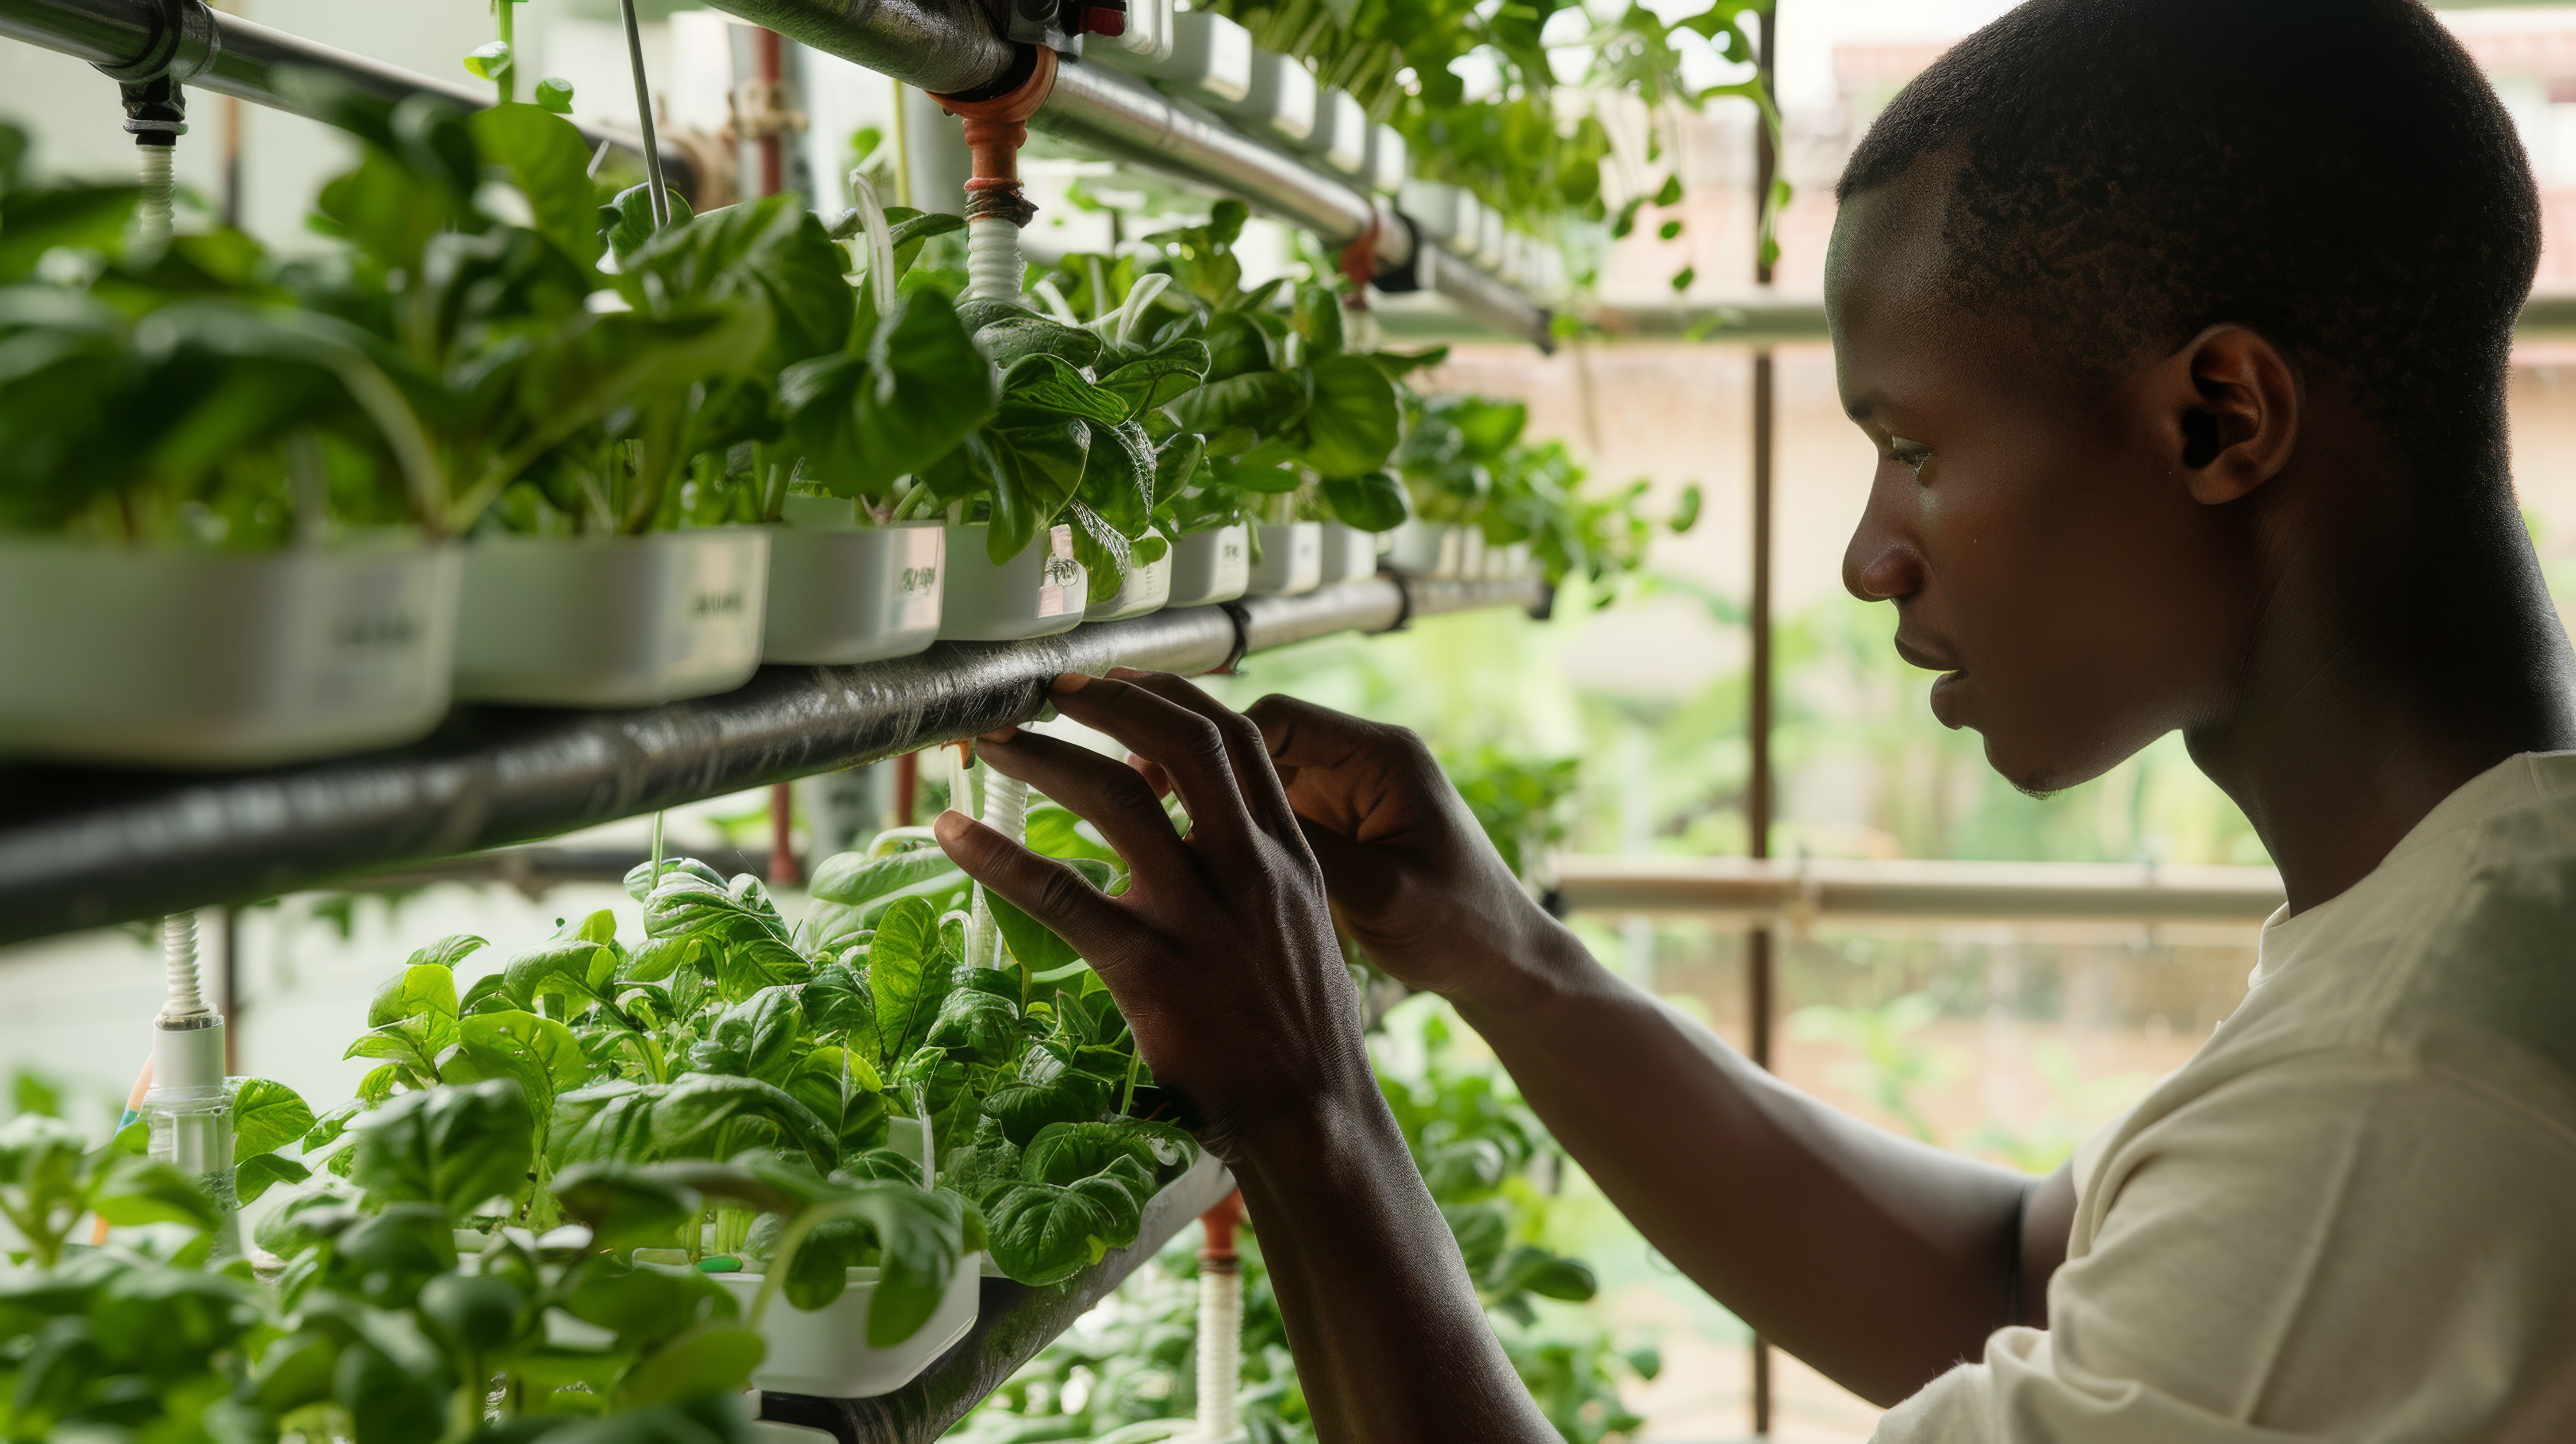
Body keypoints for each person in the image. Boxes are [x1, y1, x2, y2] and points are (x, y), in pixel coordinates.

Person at [935, 0, 2576, 1436]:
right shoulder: (2476, 913)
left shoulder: (2426, 1090)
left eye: (1916, 448)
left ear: (2220, 418)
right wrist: (1495, 946)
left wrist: (1303, 1107)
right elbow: (2006, 1283)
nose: (1871, 556)